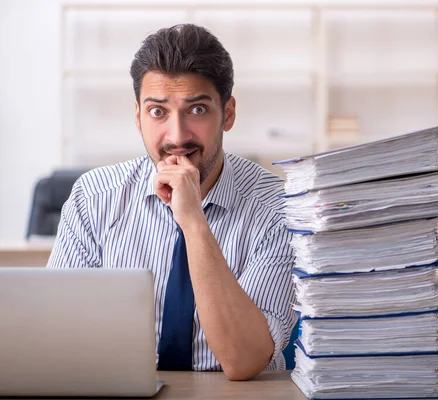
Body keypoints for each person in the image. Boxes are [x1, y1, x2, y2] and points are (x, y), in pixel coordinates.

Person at [47, 24, 296, 381]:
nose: (177, 136)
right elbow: (55, 336)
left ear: (227, 114)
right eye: (157, 112)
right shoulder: (94, 197)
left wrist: (193, 222)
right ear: (138, 117)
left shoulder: (279, 207)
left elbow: (244, 360)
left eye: (197, 110)